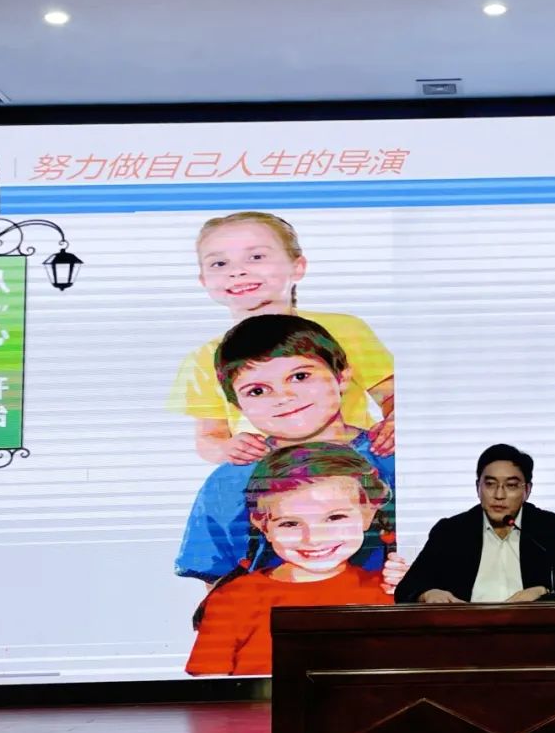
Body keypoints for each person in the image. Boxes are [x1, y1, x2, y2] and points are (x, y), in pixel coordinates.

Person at [174, 313, 404, 588]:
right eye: (258, 391)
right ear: (237, 405)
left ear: (342, 377)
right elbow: (217, 582)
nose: (284, 397)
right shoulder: (228, 481)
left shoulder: (391, 457)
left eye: (300, 376)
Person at [167, 211, 395, 464]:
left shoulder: (346, 329)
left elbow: (391, 395)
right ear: (203, 280)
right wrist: (226, 449)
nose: (237, 271)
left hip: (356, 465)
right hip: (272, 476)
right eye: (219, 263)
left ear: (297, 266)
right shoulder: (204, 358)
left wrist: (394, 422)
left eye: (256, 257)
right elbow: (209, 436)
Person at [186, 443, 393, 676]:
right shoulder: (232, 600)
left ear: (368, 514)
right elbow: (210, 688)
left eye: (335, 518)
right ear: (262, 524)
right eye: (290, 523)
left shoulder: (387, 592)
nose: (313, 539)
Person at [394, 444, 555, 604]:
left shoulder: (548, 529)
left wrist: (543, 592)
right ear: (478, 488)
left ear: (527, 490)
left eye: (511, 485)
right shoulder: (451, 531)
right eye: (490, 484)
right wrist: (428, 593)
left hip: (532, 633)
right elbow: (405, 590)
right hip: (467, 634)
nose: (499, 495)